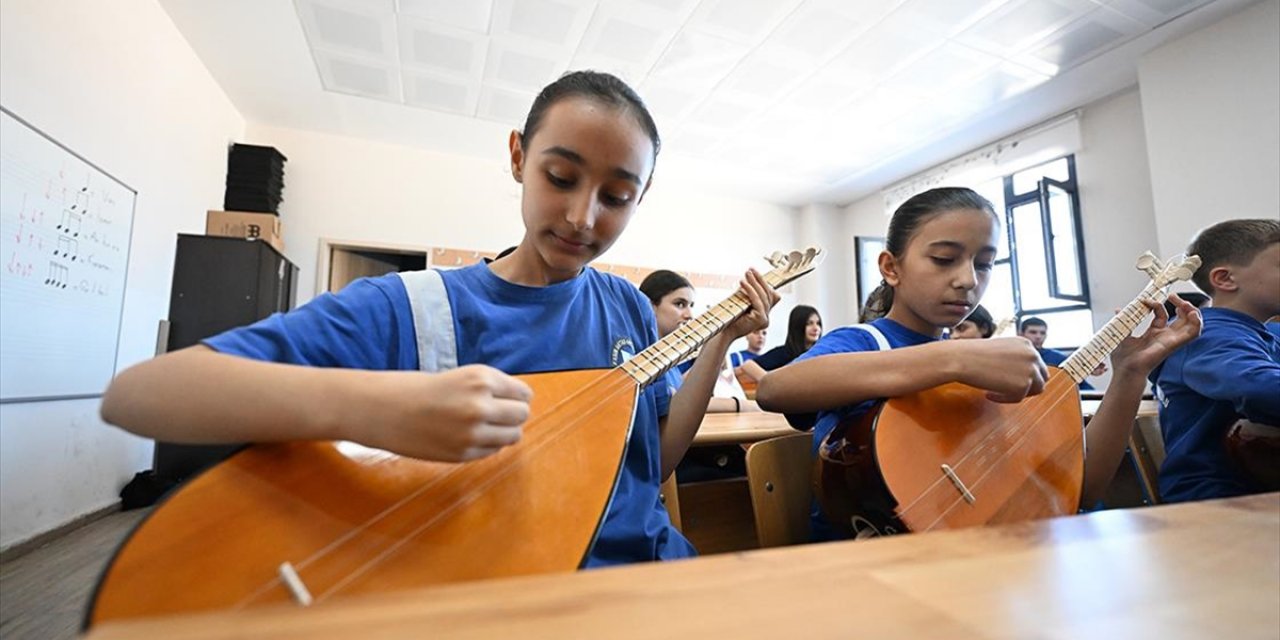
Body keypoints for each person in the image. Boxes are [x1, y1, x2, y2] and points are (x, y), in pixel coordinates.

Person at [100, 70, 779, 566]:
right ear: (518, 157)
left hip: (652, 578)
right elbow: (142, 395)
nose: (582, 217)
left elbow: (648, 463)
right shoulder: (413, 306)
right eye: (561, 178)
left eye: (617, 196)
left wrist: (719, 338)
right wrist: (378, 409)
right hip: (494, 596)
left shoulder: (626, 305)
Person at [754, 187, 1202, 541]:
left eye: (985, 264)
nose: (968, 280)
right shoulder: (868, 342)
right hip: (871, 569)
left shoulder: (989, 367)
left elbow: (1081, 489)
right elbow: (776, 389)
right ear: (891, 268)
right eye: (944, 259)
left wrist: (1130, 374)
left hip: (982, 557)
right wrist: (955, 356)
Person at [1150, 218, 1280, 502]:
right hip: (1215, 501)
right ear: (1225, 279)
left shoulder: (1263, 332)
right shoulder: (1203, 335)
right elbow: (1260, 389)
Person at [638, 269, 759, 414]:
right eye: (679, 304)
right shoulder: (641, 358)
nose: (689, 315)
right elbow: (672, 404)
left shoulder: (668, 360)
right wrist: (741, 405)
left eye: (691, 306)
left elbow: (676, 390)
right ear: (650, 306)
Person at [738, 305, 822, 383]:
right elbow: (748, 365)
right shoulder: (784, 352)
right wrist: (773, 384)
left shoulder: (821, 353)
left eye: (818, 323)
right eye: (809, 323)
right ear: (797, 326)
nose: (816, 328)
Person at [1019, 317, 1101, 389]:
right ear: (1021, 334)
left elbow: (1082, 387)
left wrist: (1087, 370)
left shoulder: (1059, 358)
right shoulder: (1014, 358)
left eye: (1042, 333)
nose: (1038, 336)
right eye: (1033, 332)